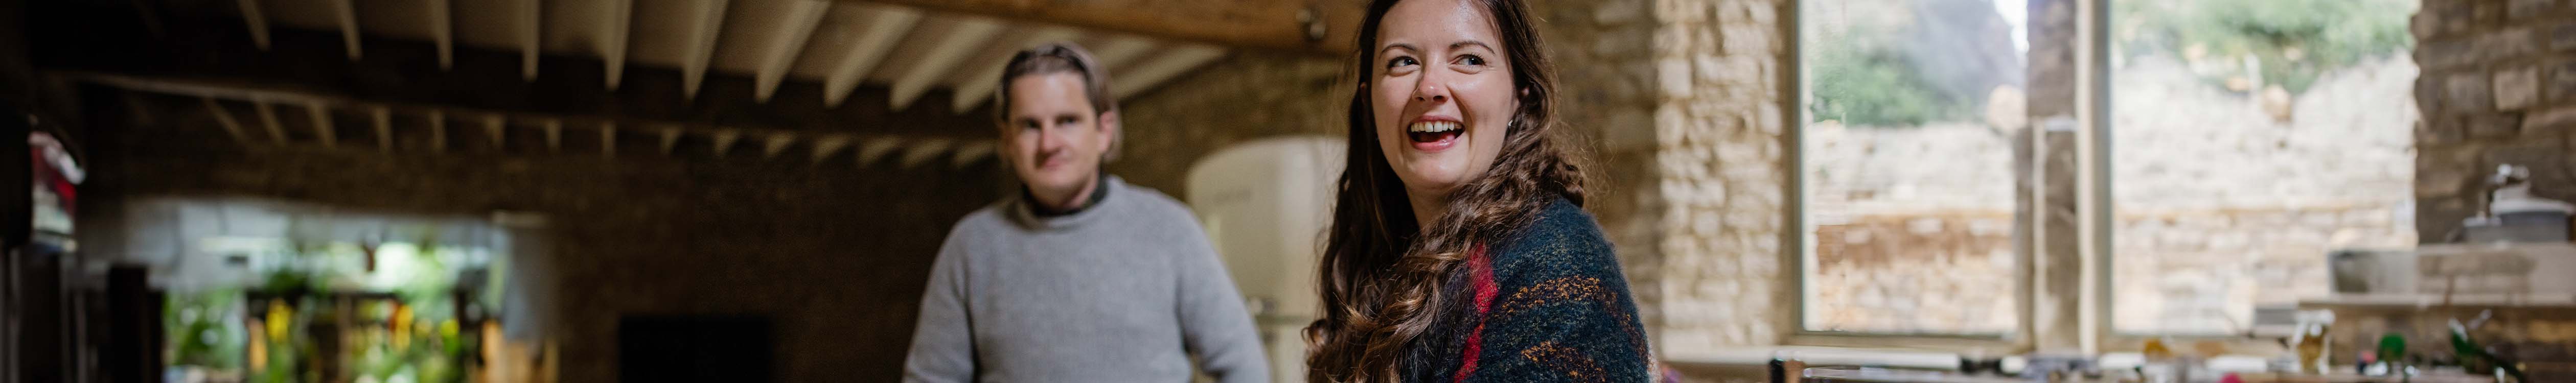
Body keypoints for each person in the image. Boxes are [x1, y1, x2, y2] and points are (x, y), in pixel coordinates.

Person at [1302, 0, 1649, 381]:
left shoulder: (1556, 266)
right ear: (1369, 101)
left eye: (1469, 59)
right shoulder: (1380, 261)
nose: (1429, 87)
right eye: (1402, 61)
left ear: (1520, 95)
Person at [903, 43, 1268, 383]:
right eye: (1030, 126)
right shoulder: (972, 245)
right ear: (1007, 140)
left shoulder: (1169, 228)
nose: (1049, 144)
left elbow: (1244, 367)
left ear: (1104, 131)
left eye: (1067, 121)